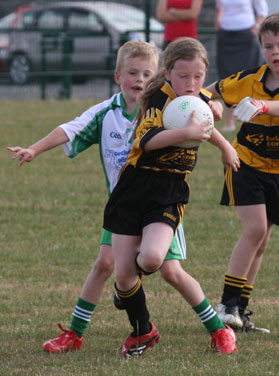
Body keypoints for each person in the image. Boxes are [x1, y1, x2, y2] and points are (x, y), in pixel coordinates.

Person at [6, 40, 164, 353]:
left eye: (147, 74)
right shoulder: (106, 112)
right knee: (104, 264)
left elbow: (195, 109)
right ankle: (75, 333)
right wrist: (35, 149)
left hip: (158, 207)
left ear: (157, 78)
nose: (140, 80)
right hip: (121, 208)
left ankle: (217, 327)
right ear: (118, 76)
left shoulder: (163, 111)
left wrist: (210, 109)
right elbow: (70, 128)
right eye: (133, 72)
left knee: (169, 270)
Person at [103, 37, 240, 357]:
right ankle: (143, 331)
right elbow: (149, 140)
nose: (191, 84)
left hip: (168, 192)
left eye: (198, 76)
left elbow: (205, 117)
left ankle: (220, 330)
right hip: (132, 190)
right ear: (166, 73)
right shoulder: (156, 97)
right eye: (182, 76)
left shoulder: (197, 96)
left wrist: (225, 146)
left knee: (152, 259)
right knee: (123, 274)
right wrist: (188, 134)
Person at [206, 12, 279, 331]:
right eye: (268, 46)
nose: (275, 52)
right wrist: (209, 105)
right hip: (244, 162)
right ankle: (226, 304)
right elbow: (207, 91)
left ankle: (240, 312)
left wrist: (262, 106)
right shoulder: (247, 79)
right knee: (255, 229)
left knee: (263, 240)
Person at [215, 0, 268, 131]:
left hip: (246, 35)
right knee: (227, 79)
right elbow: (219, 8)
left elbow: (262, 11)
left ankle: (252, 120)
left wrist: (256, 26)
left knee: (249, 78)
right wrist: (218, 23)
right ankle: (229, 123)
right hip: (225, 36)